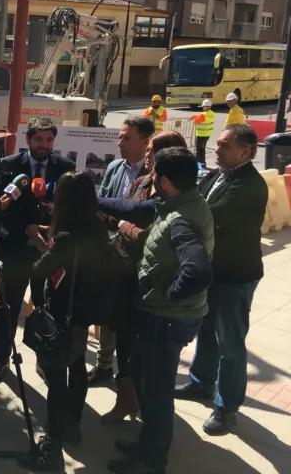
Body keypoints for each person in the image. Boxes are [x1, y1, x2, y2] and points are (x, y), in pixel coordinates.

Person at [98, 147, 214, 474]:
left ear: (163, 180)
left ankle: (151, 460)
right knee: (140, 373)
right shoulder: (178, 201)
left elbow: (198, 273)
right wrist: (93, 199)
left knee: (157, 393)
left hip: (168, 320)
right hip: (160, 317)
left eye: (154, 175)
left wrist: (167, 294)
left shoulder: (181, 220)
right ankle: (147, 443)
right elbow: (133, 208)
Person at [175, 124, 267, 435]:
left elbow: (208, 215)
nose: (217, 149)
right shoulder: (216, 175)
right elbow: (193, 199)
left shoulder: (249, 184)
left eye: (225, 145)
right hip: (211, 271)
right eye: (218, 143)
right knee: (206, 331)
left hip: (234, 276)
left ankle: (227, 407)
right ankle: (201, 383)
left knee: (230, 343)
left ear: (245, 152)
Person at [26, 172, 113, 471]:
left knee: (56, 377)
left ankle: (54, 438)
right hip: (84, 312)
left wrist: (39, 306)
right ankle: (73, 424)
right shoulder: (97, 228)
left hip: (61, 315)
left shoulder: (65, 237)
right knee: (76, 366)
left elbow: (38, 271)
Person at [100, 130, 188, 425]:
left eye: (153, 151)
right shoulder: (140, 183)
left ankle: (147, 406)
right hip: (125, 274)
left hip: (152, 279)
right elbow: (117, 214)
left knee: (146, 349)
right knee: (124, 341)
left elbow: (148, 237)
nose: (147, 155)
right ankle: (126, 399)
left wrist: (125, 225)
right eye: (148, 149)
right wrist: (124, 223)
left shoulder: (172, 194)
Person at [0, 118, 75, 385]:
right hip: (15, 249)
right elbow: (1, 210)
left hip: (48, 253)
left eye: (49, 140)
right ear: (27, 139)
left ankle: (45, 359)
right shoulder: (10, 165)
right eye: (39, 139)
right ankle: (1, 359)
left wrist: (54, 222)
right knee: (8, 307)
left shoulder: (65, 167)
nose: (44, 145)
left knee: (46, 309)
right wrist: (27, 228)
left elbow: (71, 208)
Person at [93, 116, 155, 386]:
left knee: (128, 319)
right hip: (110, 249)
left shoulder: (152, 177)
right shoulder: (114, 167)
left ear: (146, 142)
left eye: (127, 138)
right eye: (120, 136)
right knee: (106, 311)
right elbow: (104, 204)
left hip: (135, 256)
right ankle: (103, 364)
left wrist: (120, 222)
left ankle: (127, 375)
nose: (119, 143)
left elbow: (139, 219)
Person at [190, 99, 215, 166]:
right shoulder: (212, 113)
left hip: (201, 134)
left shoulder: (203, 115)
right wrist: (193, 116)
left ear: (203, 107)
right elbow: (200, 117)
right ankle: (200, 162)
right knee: (202, 148)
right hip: (208, 134)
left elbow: (196, 121)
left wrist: (194, 119)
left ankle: (201, 163)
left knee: (199, 149)